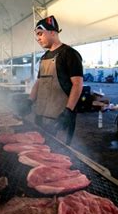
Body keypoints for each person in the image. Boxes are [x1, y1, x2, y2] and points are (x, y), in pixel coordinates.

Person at [24, 15, 83, 145]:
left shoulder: (69, 54)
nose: (38, 38)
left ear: (52, 32)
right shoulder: (44, 57)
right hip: (41, 114)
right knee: (39, 149)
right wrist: (29, 101)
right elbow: (39, 82)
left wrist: (68, 111)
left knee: (57, 153)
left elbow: (77, 84)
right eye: (36, 35)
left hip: (60, 117)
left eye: (40, 34)